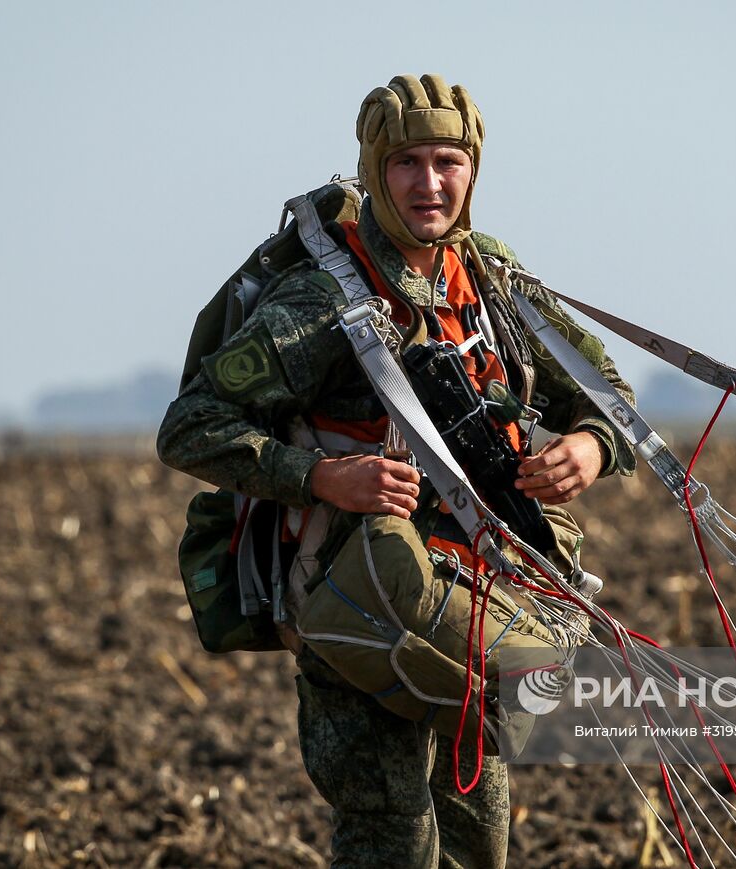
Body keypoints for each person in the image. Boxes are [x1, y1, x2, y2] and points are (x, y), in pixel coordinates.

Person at [157, 73, 636, 868]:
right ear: (376, 171)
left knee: (479, 829)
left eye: (448, 161)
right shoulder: (322, 300)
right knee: (391, 836)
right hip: (353, 593)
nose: (430, 183)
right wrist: (320, 476)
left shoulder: (490, 283)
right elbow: (191, 428)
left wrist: (589, 445)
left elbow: (606, 393)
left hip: (481, 589)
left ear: (473, 170)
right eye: (408, 162)